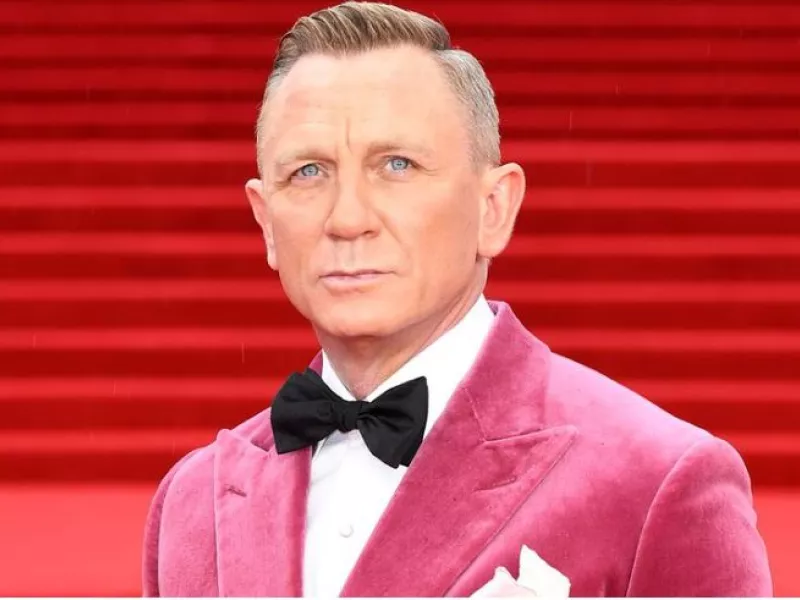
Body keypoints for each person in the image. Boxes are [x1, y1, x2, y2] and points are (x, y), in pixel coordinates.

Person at [142, 2, 772, 596]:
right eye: (308, 172)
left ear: (493, 208)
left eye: (397, 165)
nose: (348, 219)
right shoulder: (192, 500)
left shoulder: (657, 480)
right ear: (266, 223)